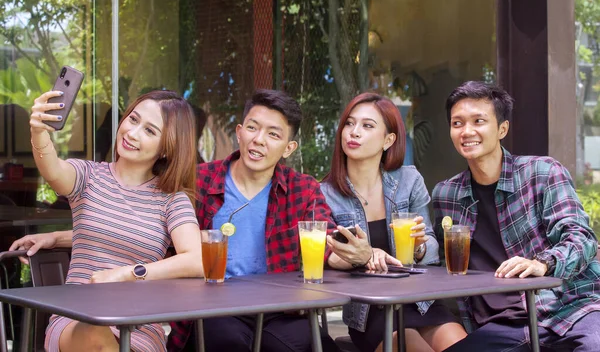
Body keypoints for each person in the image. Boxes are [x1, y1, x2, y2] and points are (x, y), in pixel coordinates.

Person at [10, 90, 203, 352]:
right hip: (78, 318)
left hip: (139, 325)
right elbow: (53, 170)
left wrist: (129, 273)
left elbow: (197, 260)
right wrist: (38, 132)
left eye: (149, 131)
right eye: (133, 120)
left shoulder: (172, 200)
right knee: (96, 334)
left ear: (167, 148)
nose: (132, 133)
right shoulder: (88, 177)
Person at [167, 89, 339, 352]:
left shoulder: (302, 189)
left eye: (273, 134)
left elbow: (327, 243)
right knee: (227, 342)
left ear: (289, 148)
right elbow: (165, 243)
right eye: (252, 128)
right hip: (212, 307)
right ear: (239, 131)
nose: (259, 140)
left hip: (281, 310)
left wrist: (353, 254)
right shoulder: (198, 181)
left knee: (296, 345)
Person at [433, 81, 600, 352]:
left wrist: (542, 263)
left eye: (478, 121)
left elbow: (581, 238)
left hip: (570, 309)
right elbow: (442, 264)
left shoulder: (543, 173)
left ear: (502, 129)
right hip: (503, 324)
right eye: (457, 123)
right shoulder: (446, 194)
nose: (467, 131)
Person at [321, 93, 467, 352]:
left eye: (367, 126)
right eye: (349, 124)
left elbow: (431, 250)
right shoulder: (325, 193)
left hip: (420, 301)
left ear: (388, 140)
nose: (354, 133)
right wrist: (365, 255)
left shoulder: (409, 181)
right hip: (370, 311)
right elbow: (330, 254)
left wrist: (420, 246)